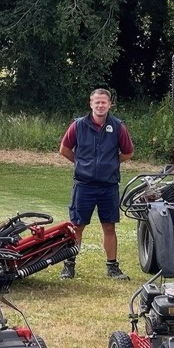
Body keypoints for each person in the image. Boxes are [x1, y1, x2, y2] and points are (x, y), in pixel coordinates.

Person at [59, 88, 136, 280]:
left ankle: (112, 268)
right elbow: (64, 149)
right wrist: (81, 163)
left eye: (104, 102)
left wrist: (109, 164)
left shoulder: (118, 127)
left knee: (109, 227)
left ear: (110, 105)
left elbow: (128, 153)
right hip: (83, 185)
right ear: (90, 104)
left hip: (108, 185)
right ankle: (69, 266)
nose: (100, 105)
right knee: (77, 226)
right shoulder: (78, 126)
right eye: (97, 102)